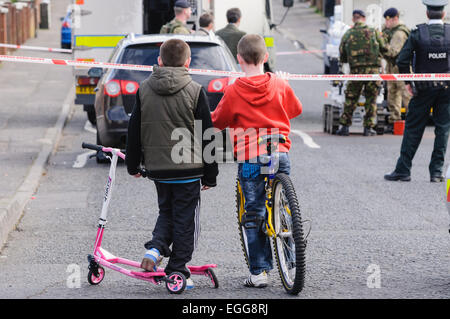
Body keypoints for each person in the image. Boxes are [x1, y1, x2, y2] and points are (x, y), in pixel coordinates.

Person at [125, 39, 219, 290]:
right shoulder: (195, 90)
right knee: (186, 220)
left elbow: (134, 130)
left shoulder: (144, 89)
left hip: (158, 170)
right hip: (188, 169)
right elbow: (207, 134)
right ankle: (177, 269)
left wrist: (133, 165)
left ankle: (155, 249)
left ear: (159, 61)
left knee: (166, 211)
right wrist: (211, 175)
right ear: (188, 62)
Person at [211, 34, 302, 288]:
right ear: (265, 58)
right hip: (278, 153)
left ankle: (259, 272)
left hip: (251, 156)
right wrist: (284, 86)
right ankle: (293, 259)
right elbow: (295, 110)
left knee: (253, 212)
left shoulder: (234, 90)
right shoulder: (279, 84)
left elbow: (217, 121)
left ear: (239, 59)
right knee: (283, 207)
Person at [384, 0, 450, 183]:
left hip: (422, 89)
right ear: (443, 14)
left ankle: (403, 170)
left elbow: (402, 60)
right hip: (446, 89)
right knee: (443, 130)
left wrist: (408, 82)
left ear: (427, 14)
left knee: (413, 129)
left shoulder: (417, 34)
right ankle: (436, 172)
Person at [336, 9, 387, 137]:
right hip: (373, 72)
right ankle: (368, 128)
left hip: (356, 72)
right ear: (364, 18)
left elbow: (342, 54)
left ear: (354, 19)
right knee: (371, 100)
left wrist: (347, 62)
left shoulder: (348, 34)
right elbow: (384, 48)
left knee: (351, 99)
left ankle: (345, 127)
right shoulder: (374, 32)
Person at [382, 7, 412, 132]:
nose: (386, 23)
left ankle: (412, 121)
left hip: (400, 68)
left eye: (389, 20)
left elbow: (393, 52)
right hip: (391, 67)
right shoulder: (389, 30)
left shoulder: (399, 33)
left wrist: (381, 45)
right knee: (392, 94)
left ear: (395, 19)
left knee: (406, 95)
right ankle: (395, 120)